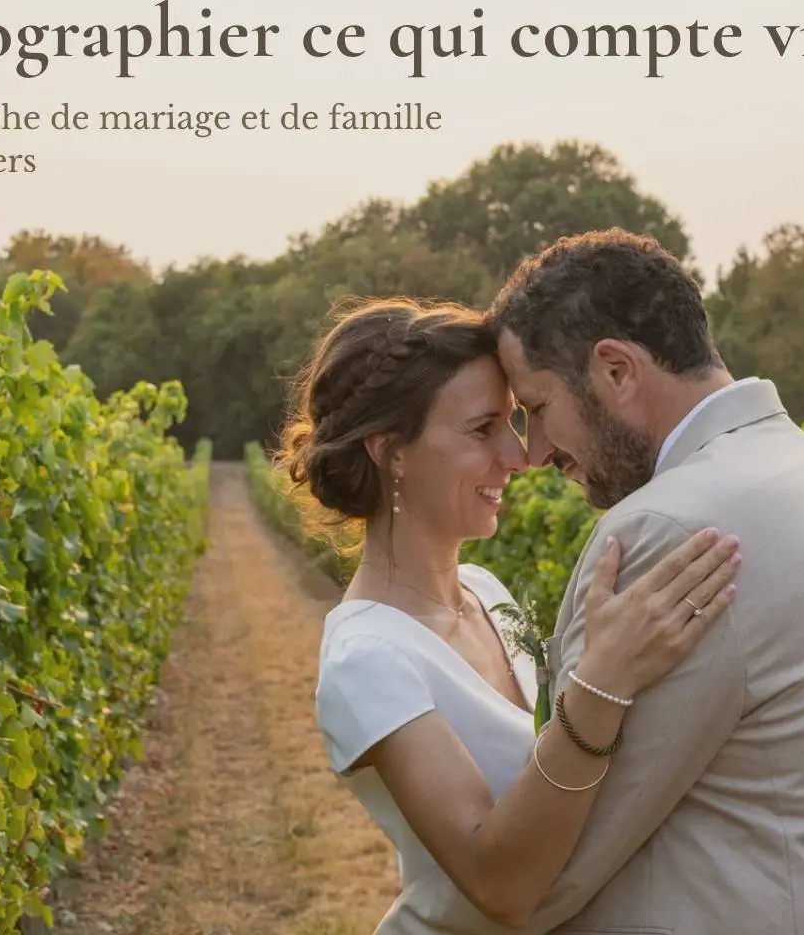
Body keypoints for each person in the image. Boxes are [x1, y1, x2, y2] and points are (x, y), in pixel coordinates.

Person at [459, 226, 804, 934]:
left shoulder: (664, 531)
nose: (538, 452)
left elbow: (552, 867)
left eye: (540, 409)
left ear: (616, 371)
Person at [277, 295, 743, 934]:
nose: (519, 456)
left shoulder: (486, 592)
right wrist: (604, 680)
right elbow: (499, 885)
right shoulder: (369, 659)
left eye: (515, 421)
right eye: (482, 428)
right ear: (392, 453)